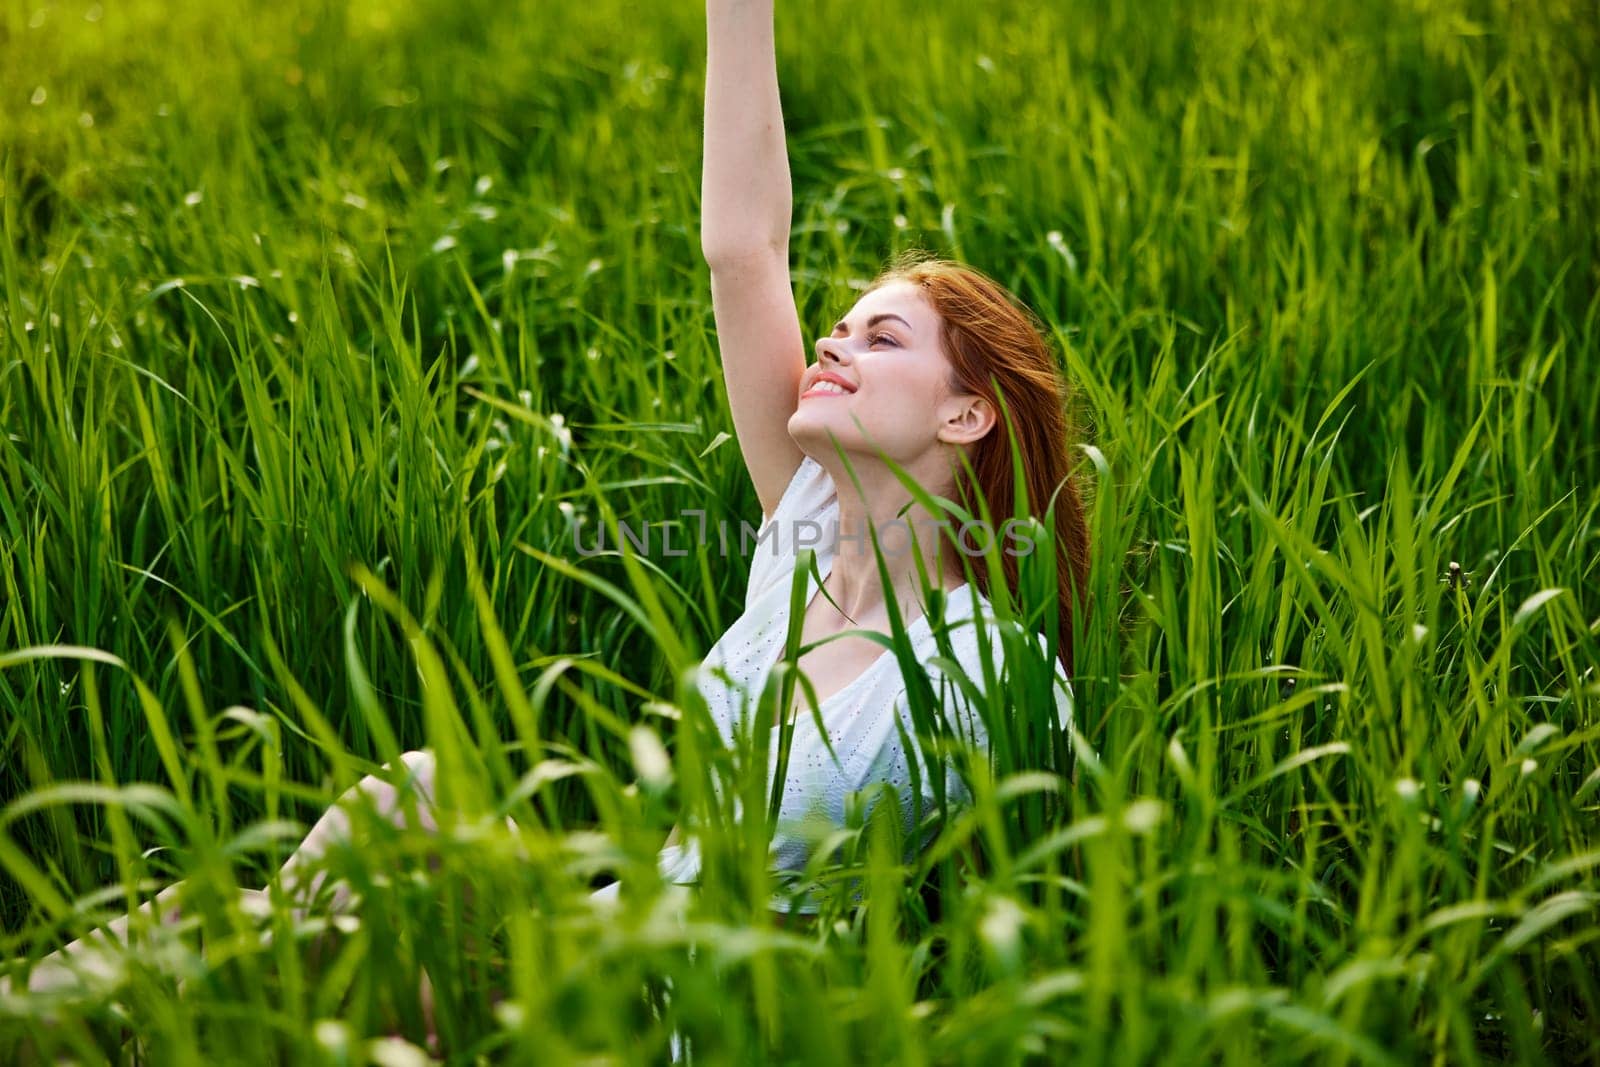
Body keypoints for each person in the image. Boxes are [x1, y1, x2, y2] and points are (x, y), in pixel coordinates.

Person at [5, 0, 1094, 1051]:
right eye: (840, 324)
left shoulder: (991, 668)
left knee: (243, 941)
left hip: (662, 1008)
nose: (834, 341)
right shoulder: (799, 545)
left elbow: (972, 913)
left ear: (966, 410)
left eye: (883, 336)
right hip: (586, 936)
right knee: (399, 800)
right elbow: (746, 248)